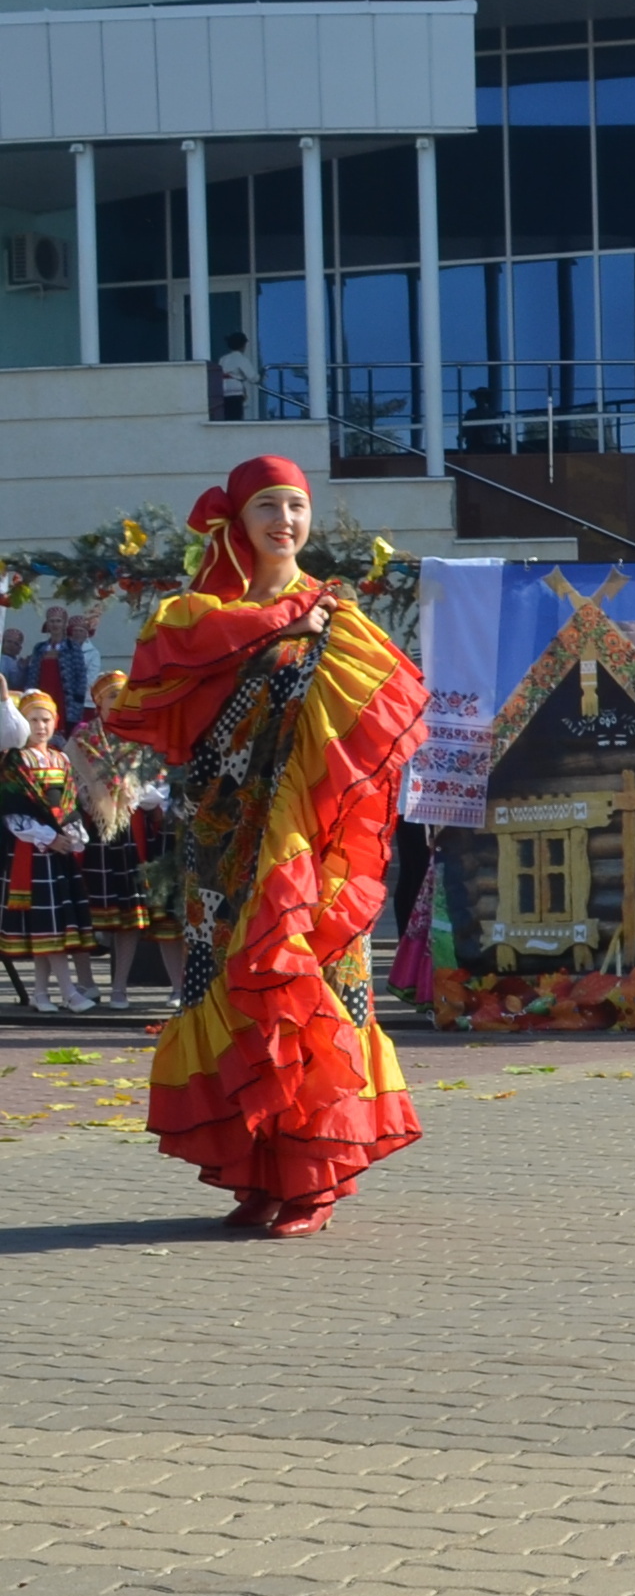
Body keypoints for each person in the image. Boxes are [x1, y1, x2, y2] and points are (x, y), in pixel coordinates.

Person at [105, 455, 425, 1236]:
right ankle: (256, 1172)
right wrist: (274, 626)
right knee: (226, 996)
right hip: (219, 843)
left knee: (308, 995)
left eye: (297, 507)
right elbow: (158, 690)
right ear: (237, 522)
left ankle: (312, 1177)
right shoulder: (194, 618)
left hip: (306, 850)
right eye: (268, 508)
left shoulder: (337, 613)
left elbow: (386, 721)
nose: (286, 521)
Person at [62, 668, 169, 1013]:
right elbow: (64, 783)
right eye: (111, 696)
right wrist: (87, 794)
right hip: (89, 833)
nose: (118, 702)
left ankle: (120, 987)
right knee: (82, 911)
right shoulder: (80, 741)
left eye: (123, 695)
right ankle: (87, 982)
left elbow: (158, 786)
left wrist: (135, 791)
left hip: (129, 832)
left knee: (128, 913)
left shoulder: (140, 739)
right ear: (98, 701)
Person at [1, 684, 98, 1014]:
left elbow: (69, 803)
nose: (41, 726)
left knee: (53, 923)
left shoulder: (60, 758)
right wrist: (47, 836)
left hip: (58, 854)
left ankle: (42, 993)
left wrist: (73, 835)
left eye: (46, 719)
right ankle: (69, 991)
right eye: (33, 720)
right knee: (49, 925)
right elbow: (14, 810)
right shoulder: (16, 760)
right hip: (32, 852)